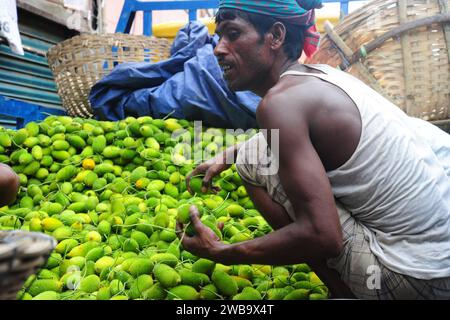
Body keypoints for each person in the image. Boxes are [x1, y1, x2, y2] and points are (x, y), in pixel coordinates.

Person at [178, 0, 450, 299]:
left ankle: (344, 293)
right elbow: (294, 139)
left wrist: (224, 252)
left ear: (276, 36)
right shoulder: (322, 75)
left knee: (252, 163)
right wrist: (231, 153)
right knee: (251, 154)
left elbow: (324, 237)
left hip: (415, 281)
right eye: (219, 37)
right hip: (440, 259)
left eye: (232, 34)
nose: (218, 48)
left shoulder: (279, 104)